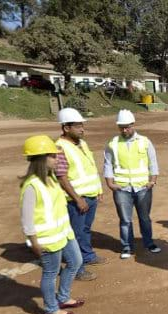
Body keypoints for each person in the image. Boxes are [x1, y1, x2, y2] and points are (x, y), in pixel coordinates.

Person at [19, 135, 84, 314]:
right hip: (47, 239)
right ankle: (51, 308)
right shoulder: (32, 185)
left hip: (64, 233)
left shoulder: (52, 179)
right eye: (53, 156)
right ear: (41, 158)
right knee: (50, 273)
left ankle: (63, 297)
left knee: (75, 262)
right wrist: (34, 242)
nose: (57, 159)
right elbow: (27, 219)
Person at [55, 108, 105, 282]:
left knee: (85, 229)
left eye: (82, 125)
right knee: (74, 235)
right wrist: (77, 198)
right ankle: (77, 268)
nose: (82, 128)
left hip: (90, 195)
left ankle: (88, 256)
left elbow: (89, 167)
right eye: (77, 126)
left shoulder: (81, 143)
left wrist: (98, 189)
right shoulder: (60, 147)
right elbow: (61, 176)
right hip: (76, 200)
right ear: (66, 128)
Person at [104, 110, 161, 259]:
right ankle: (127, 247)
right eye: (121, 127)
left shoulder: (144, 141)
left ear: (133, 125)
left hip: (142, 187)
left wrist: (152, 181)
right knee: (125, 220)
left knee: (145, 217)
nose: (124, 130)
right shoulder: (113, 143)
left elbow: (153, 162)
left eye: (127, 127)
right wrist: (110, 183)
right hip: (122, 188)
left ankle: (148, 243)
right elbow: (108, 164)